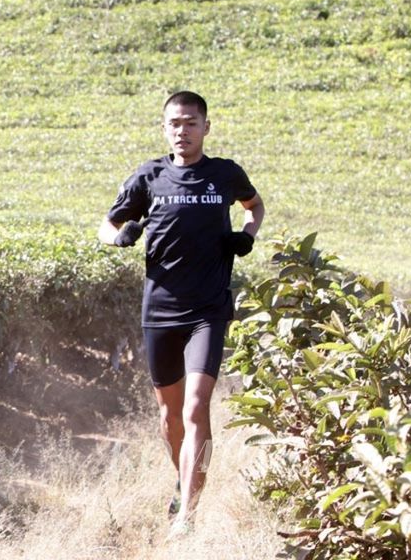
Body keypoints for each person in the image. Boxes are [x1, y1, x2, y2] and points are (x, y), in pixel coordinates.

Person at [96, 91, 265, 539]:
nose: (182, 131)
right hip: (161, 311)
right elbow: (105, 225)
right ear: (164, 128)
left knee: (196, 407)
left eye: (191, 123)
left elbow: (255, 205)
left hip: (208, 310)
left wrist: (248, 233)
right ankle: (184, 478)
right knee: (170, 418)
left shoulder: (225, 174)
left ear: (206, 127)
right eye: (174, 123)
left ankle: (187, 515)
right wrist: (120, 237)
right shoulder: (148, 176)